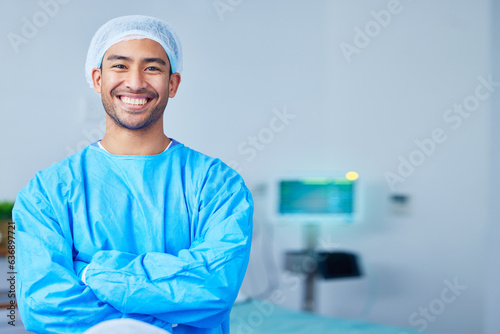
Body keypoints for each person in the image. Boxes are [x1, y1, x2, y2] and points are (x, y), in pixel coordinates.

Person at [13, 15, 253, 334]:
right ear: (98, 79)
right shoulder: (46, 192)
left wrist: (92, 272)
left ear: (173, 83)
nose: (136, 82)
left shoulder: (219, 185)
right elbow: (42, 307)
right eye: (120, 66)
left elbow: (213, 289)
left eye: (152, 67)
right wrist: (169, 312)